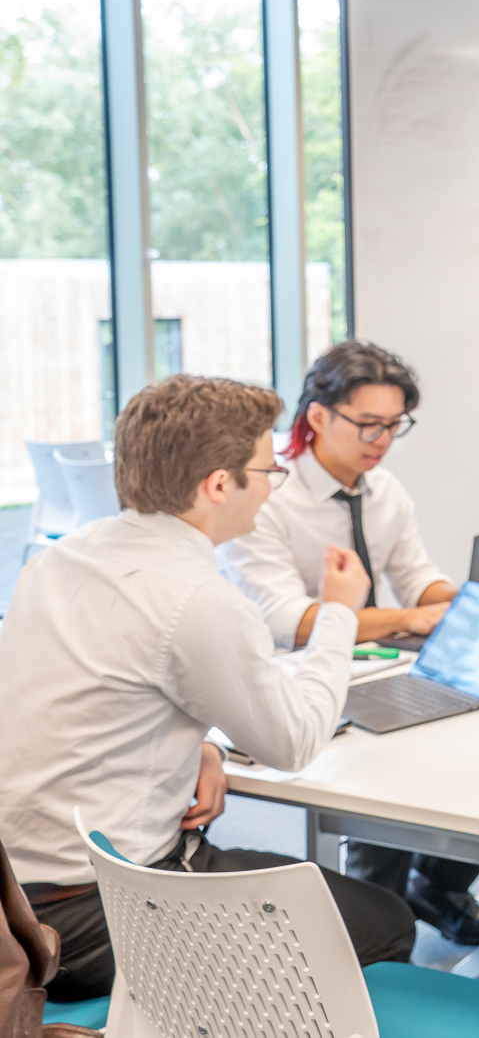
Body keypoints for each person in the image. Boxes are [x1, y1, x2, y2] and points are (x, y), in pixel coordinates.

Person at [0, 375, 416, 1002]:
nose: (273, 484)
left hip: (14, 903)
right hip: (98, 915)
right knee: (385, 923)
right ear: (219, 484)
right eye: (267, 470)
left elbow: (99, 692)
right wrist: (339, 613)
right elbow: (295, 741)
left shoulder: (61, 559)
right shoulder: (196, 597)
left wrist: (203, 745)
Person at [217, 340, 479, 947]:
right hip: (297, 682)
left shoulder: (386, 491)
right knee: (390, 777)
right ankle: (380, 929)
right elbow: (282, 620)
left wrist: (457, 600)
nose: (381, 439)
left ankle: (432, 883)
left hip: (380, 669)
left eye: (394, 426)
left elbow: (417, 576)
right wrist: (402, 616)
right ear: (318, 416)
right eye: (368, 424)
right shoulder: (270, 494)